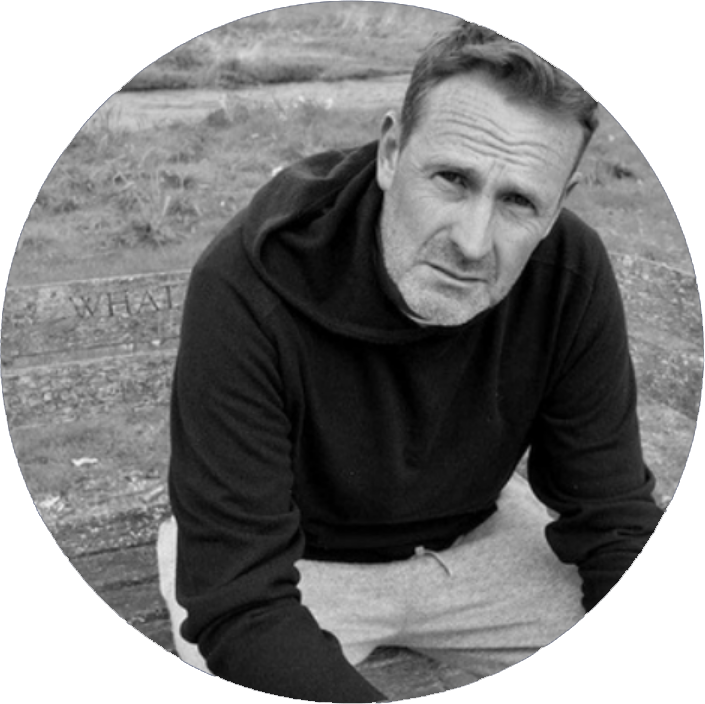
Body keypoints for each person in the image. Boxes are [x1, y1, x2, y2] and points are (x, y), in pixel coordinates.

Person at [157, 21, 664, 703]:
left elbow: (614, 518)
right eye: (452, 178)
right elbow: (238, 599)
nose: (473, 242)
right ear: (392, 151)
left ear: (556, 207)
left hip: (481, 545)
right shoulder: (244, 283)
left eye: (518, 201)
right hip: (292, 569)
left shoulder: (569, 272)